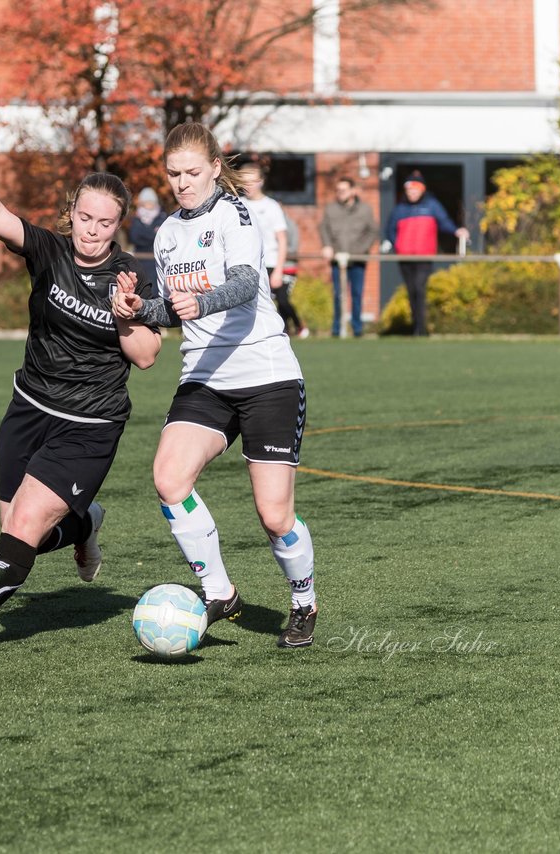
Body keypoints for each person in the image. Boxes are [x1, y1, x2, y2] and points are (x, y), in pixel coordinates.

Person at [0, 150, 162, 650]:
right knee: (13, 529)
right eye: (85, 218)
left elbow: (147, 356)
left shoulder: (130, 275)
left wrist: (125, 314)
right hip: (28, 409)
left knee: (23, 527)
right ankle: (85, 522)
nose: (92, 230)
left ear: (119, 225)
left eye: (105, 222)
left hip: (89, 424)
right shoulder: (49, 250)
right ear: (72, 213)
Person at [112, 122, 317, 650]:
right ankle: (219, 591)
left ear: (214, 167)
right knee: (168, 478)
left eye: (192, 173)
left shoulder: (235, 213)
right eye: (173, 174)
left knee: (274, 515)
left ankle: (303, 600)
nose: (182, 183)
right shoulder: (166, 233)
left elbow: (248, 282)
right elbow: (170, 308)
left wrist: (200, 303)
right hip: (204, 375)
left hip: (266, 375)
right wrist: (140, 309)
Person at [382, 171, 469, 337]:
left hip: (424, 256)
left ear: (421, 190)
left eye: (415, 189)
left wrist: (457, 230)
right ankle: (416, 326)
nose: (412, 193)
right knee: (411, 290)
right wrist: (396, 245)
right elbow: (390, 230)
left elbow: (444, 222)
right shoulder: (400, 209)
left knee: (419, 288)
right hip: (405, 256)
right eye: (409, 190)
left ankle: (422, 328)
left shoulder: (432, 206)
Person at [241, 162, 308, 338]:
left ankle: (296, 327)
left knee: (280, 301)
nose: (248, 185)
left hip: (270, 263)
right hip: (247, 265)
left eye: (252, 181)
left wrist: (279, 269)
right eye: (244, 181)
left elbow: (282, 239)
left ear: (261, 182)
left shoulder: (271, 206)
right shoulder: (238, 205)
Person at [319, 176, 381, 338]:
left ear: (353, 191)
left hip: (357, 258)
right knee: (338, 294)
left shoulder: (365, 209)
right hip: (337, 259)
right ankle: (337, 328)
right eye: (338, 190)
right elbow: (324, 228)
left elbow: (372, 231)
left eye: (344, 190)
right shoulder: (331, 209)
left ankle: (357, 328)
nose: (340, 193)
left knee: (356, 293)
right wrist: (327, 246)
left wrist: (360, 250)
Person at [127, 186, 164, 256]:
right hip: (140, 257)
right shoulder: (136, 218)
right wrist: (153, 235)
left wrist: (144, 234)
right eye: (146, 202)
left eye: (151, 202)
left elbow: (162, 239)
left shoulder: (162, 217)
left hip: (156, 258)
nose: (149, 204)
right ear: (141, 203)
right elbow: (134, 238)